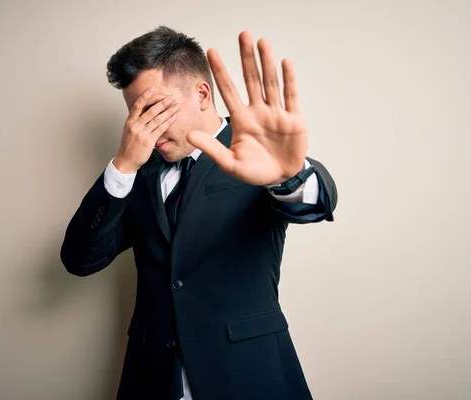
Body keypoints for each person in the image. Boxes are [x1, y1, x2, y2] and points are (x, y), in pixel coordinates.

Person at [60, 26, 337, 400]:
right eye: (135, 114)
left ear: (202, 94)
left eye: (154, 108)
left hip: (249, 375)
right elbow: (80, 259)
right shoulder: (136, 176)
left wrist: (289, 176)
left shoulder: (255, 154)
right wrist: (123, 165)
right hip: (153, 380)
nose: (145, 127)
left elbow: (315, 204)